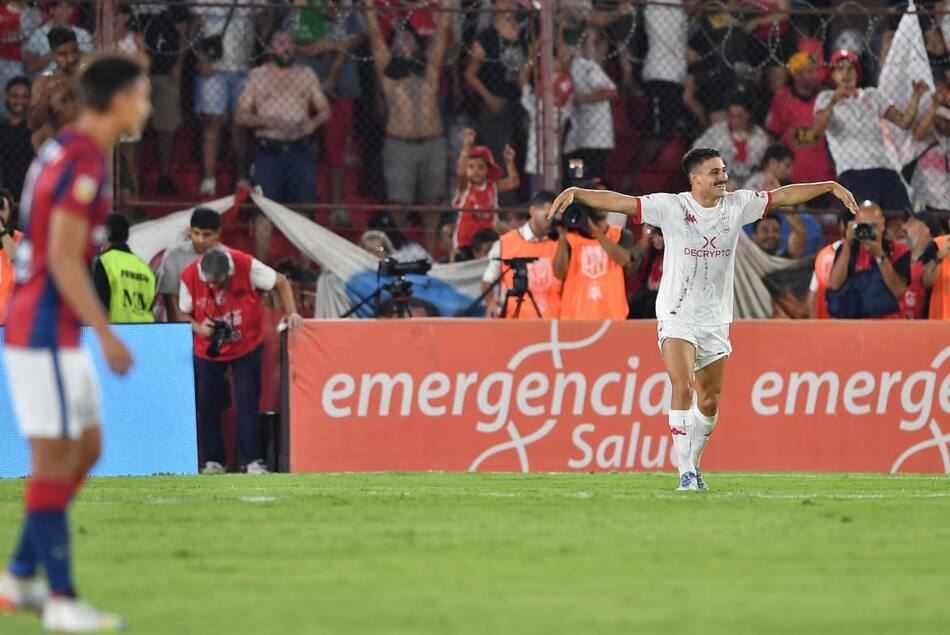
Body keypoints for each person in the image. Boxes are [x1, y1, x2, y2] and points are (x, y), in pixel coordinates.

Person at [548, 146, 858, 491]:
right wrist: (577, 192)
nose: (723, 177)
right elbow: (621, 202)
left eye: (723, 170)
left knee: (709, 402)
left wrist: (829, 186)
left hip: (716, 318)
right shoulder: (671, 207)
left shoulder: (738, 205)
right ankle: (685, 472)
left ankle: (693, 462)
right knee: (682, 386)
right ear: (694, 178)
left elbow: (783, 196)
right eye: (715, 172)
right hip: (676, 313)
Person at [0, 54, 149, 631]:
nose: (146, 107)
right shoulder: (83, 159)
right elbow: (63, 259)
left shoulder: (67, 148)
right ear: (119, 100)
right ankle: (61, 599)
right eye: (141, 96)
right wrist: (108, 335)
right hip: (41, 327)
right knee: (53, 459)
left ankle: (19, 572)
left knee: (86, 450)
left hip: (53, 328)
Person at [179, 248, 303, 476]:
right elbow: (182, 312)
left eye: (219, 284)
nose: (215, 289)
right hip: (208, 348)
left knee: (247, 401)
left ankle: (252, 461)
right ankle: (213, 461)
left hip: (247, 343)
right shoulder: (188, 275)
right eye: (210, 284)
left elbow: (281, 281)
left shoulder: (247, 265)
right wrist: (199, 328)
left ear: (229, 273)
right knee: (207, 405)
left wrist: (292, 312)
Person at [236, 27, 330, 261]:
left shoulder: (306, 74)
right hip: (269, 148)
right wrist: (265, 120)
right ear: (269, 48)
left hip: (300, 148)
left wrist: (312, 123)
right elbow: (240, 115)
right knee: (263, 210)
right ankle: (262, 265)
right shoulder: (257, 76)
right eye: (280, 42)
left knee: (305, 209)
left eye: (289, 43)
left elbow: (325, 109)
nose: (286, 47)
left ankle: (305, 269)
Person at [365, 0, 450, 255]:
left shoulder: (429, 67)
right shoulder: (388, 71)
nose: (404, 40)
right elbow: (374, 35)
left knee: (432, 202)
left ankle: (431, 253)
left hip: (432, 141)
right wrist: (368, 6)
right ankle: (401, 250)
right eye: (399, 37)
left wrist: (448, 5)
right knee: (398, 204)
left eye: (409, 37)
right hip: (399, 143)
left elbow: (442, 33)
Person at [813, 49, 926, 210]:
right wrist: (834, 100)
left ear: (857, 73)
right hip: (853, 170)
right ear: (833, 75)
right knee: (863, 220)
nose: (846, 73)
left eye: (850, 68)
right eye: (840, 68)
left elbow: (904, 122)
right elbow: (818, 129)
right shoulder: (825, 98)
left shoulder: (872, 95)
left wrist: (916, 97)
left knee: (900, 218)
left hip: (885, 167)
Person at [293, 0, 365, 224]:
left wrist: (341, 44)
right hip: (304, 87)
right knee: (303, 146)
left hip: (341, 88)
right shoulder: (301, 6)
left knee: (337, 151)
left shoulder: (349, 9)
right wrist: (311, 48)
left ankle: (337, 206)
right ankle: (303, 203)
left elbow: (362, 35)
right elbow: (281, 40)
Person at [192, 0, 268, 197]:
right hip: (212, 68)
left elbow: (265, 21)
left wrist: (259, 54)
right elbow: (194, 28)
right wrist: (200, 58)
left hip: (242, 69)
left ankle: (242, 177)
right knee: (212, 122)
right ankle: (209, 179)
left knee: (240, 125)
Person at [464, 0, 528, 199]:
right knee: (502, 155)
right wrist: (489, 97)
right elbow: (470, 74)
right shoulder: (486, 38)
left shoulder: (524, 36)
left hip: (520, 101)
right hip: (496, 103)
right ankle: (505, 202)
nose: (508, 6)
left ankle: (523, 197)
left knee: (522, 152)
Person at [481, 190, 561, 319]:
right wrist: (491, 304)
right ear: (533, 211)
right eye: (547, 216)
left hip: (552, 322)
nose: (551, 221)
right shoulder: (505, 243)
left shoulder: (560, 244)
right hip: (515, 322)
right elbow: (488, 280)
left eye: (554, 218)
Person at [137, 0, 189, 195]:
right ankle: (134, 178)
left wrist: (179, 65)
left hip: (166, 68)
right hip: (136, 72)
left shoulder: (174, 7)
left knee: (166, 125)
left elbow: (183, 29)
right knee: (135, 126)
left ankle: (165, 175)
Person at [826, 201, 910, 320]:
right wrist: (847, 245)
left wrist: (879, 256)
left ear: (882, 224)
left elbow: (898, 290)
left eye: (873, 226)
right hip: (852, 322)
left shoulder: (898, 250)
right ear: (854, 225)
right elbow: (835, 285)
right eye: (863, 226)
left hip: (887, 323)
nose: (868, 231)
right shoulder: (847, 249)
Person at [765, 51, 835, 185]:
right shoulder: (782, 99)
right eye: (810, 72)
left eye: (816, 71)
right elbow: (772, 135)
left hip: (823, 176)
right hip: (791, 177)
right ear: (797, 75)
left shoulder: (825, 98)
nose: (816, 76)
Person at [742, 143, 824, 256]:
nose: (789, 171)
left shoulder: (783, 183)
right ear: (773, 163)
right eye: (786, 165)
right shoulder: (755, 184)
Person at [554, 204, 633, 321]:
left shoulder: (620, 234)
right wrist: (562, 237)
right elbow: (559, 273)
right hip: (575, 317)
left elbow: (624, 260)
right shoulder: (570, 237)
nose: (601, 205)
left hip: (612, 315)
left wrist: (597, 233)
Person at [452, 128, 519, 256]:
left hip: (488, 237)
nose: (475, 171)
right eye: (471, 167)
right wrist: (466, 146)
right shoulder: (465, 187)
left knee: (508, 235)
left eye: (481, 167)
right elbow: (461, 172)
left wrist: (510, 162)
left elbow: (513, 183)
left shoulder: (492, 186)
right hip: (466, 240)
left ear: (488, 170)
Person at [155, 207, 224, 322]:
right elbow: (171, 298)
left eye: (206, 235)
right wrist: (179, 329)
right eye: (196, 233)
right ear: (190, 231)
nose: (200, 240)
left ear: (218, 233)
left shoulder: (228, 256)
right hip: (183, 323)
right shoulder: (175, 256)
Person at [563, 49, 617, 183]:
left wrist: (582, 98)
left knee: (594, 179)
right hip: (574, 141)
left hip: (595, 137)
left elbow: (611, 92)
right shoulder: (556, 75)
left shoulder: (586, 67)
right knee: (576, 178)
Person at [92, 213, 156, 323]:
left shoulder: (105, 261)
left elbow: (98, 305)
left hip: (116, 330)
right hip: (146, 330)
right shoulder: (144, 267)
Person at [691, 98, 769, 187]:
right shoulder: (717, 131)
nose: (734, 119)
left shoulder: (759, 136)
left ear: (748, 115)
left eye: (739, 116)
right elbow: (696, 150)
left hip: (752, 179)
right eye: (731, 115)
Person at [26, 27, 79, 152]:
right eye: (63, 54)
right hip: (63, 146)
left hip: (91, 141)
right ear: (53, 55)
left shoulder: (89, 76)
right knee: (40, 135)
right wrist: (47, 96)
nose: (71, 58)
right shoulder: (44, 81)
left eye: (74, 51)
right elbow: (32, 124)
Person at [908, 87, 950, 214]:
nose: (944, 125)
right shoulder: (930, 131)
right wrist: (934, 107)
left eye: (948, 121)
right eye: (941, 119)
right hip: (924, 202)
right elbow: (918, 135)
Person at [22, 1, 92, 76]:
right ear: (52, 9)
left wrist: (73, 52)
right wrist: (55, 54)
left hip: (76, 76)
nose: (65, 11)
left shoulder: (82, 33)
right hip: (48, 77)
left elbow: (90, 60)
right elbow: (30, 67)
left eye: (69, 7)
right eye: (61, 7)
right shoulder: (39, 34)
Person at [902, 209, 942, 319]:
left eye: (912, 223)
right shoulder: (902, 256)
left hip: (927, 321)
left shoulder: (938, 255)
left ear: (926, 229)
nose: (904, 228)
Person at [808, 211, 848, 319]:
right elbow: (813, 294)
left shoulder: (823, 254)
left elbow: (812, 294)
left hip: (825, 326)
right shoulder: (825, 255)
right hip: (839, 324)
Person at [0, 76, 34, 200]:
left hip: (30, 197)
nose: (19, 101)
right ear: (7, 97)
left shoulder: (39, 130)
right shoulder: (2, 128)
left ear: (30, 99)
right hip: (5, 198)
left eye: (24, 97)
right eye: (14, 96)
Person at [0, 187, 23, 323]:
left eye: (2, 208)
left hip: (12, 322)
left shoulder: (21, 239)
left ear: (10, 212)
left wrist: (1, 231)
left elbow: (18, 261)